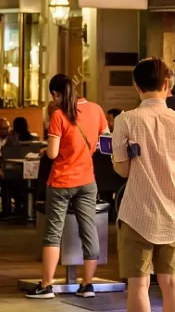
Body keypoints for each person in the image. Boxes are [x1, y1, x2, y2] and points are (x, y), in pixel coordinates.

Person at [111, 58, 175, 312]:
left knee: (138, 285)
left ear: (136, 87)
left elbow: (123, 169)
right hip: (172, 214)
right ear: (166, 84)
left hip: (137, 213)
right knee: (171, 281)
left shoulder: (126, 120)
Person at [25, 75, 109, 299]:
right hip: (87, 180)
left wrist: (51, 149)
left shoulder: (58, 116)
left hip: (61, 180)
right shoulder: (96, 109)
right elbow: (105, 141)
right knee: (88, 229)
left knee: (53, 233)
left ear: (56, 94)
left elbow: (52, 154)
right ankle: (87, 285)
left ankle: (45, 285)